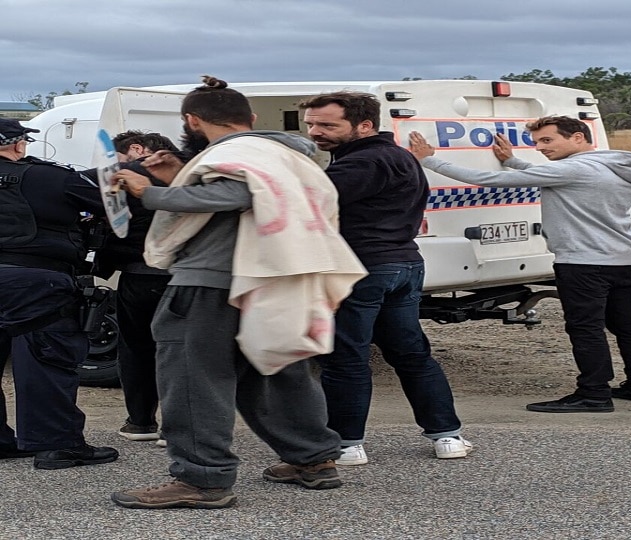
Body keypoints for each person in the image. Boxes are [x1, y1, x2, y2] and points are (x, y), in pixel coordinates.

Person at [109, 77, 347, 510]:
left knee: (192, 375)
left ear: (192, 120)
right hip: (275, 273)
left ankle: (202, 478)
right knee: (275, 366)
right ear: (252, 118)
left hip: (211, 279)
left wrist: (151, 192)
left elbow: (236, 192)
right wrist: (179, 178)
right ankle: (313, 459)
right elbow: (251, 194)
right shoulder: (286, 153)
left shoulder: (236, 154)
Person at [409, 115, 631, 413]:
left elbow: (491, 180)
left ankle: (593, 393)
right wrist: (514, 161)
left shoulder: (574, 169)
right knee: (627, 323)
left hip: (583, 261)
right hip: (621, 258)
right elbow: (553, 175)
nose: (540, 148)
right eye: (537, 142)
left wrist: (431, 161)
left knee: (585, 328)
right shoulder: (613, 166)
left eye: (547, 140)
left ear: (578, 137)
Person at [299, 91, 472, 465]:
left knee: (346, 357)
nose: (316, 132)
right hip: (404, 265)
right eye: (311, 123)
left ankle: (346, 444)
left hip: (362, 268)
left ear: (364, 126)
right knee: (411, 353)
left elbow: (302, 202)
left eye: (328, 125)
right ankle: (447, 436)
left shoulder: (361, 163)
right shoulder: (400, 157)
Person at [0, 118, 119, 468]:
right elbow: (115, 210)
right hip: (34, 280)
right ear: (19, 144)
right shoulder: (50, 177)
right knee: (46, 357)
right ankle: (57, 443)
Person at [84, 131, 181, 445]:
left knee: (137, 349)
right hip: (183, 274)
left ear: (138, 149)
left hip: (138, 273)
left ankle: (140, 422)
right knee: (180, 351)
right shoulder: (192, 171)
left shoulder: (130, 174)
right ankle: (178, 426)